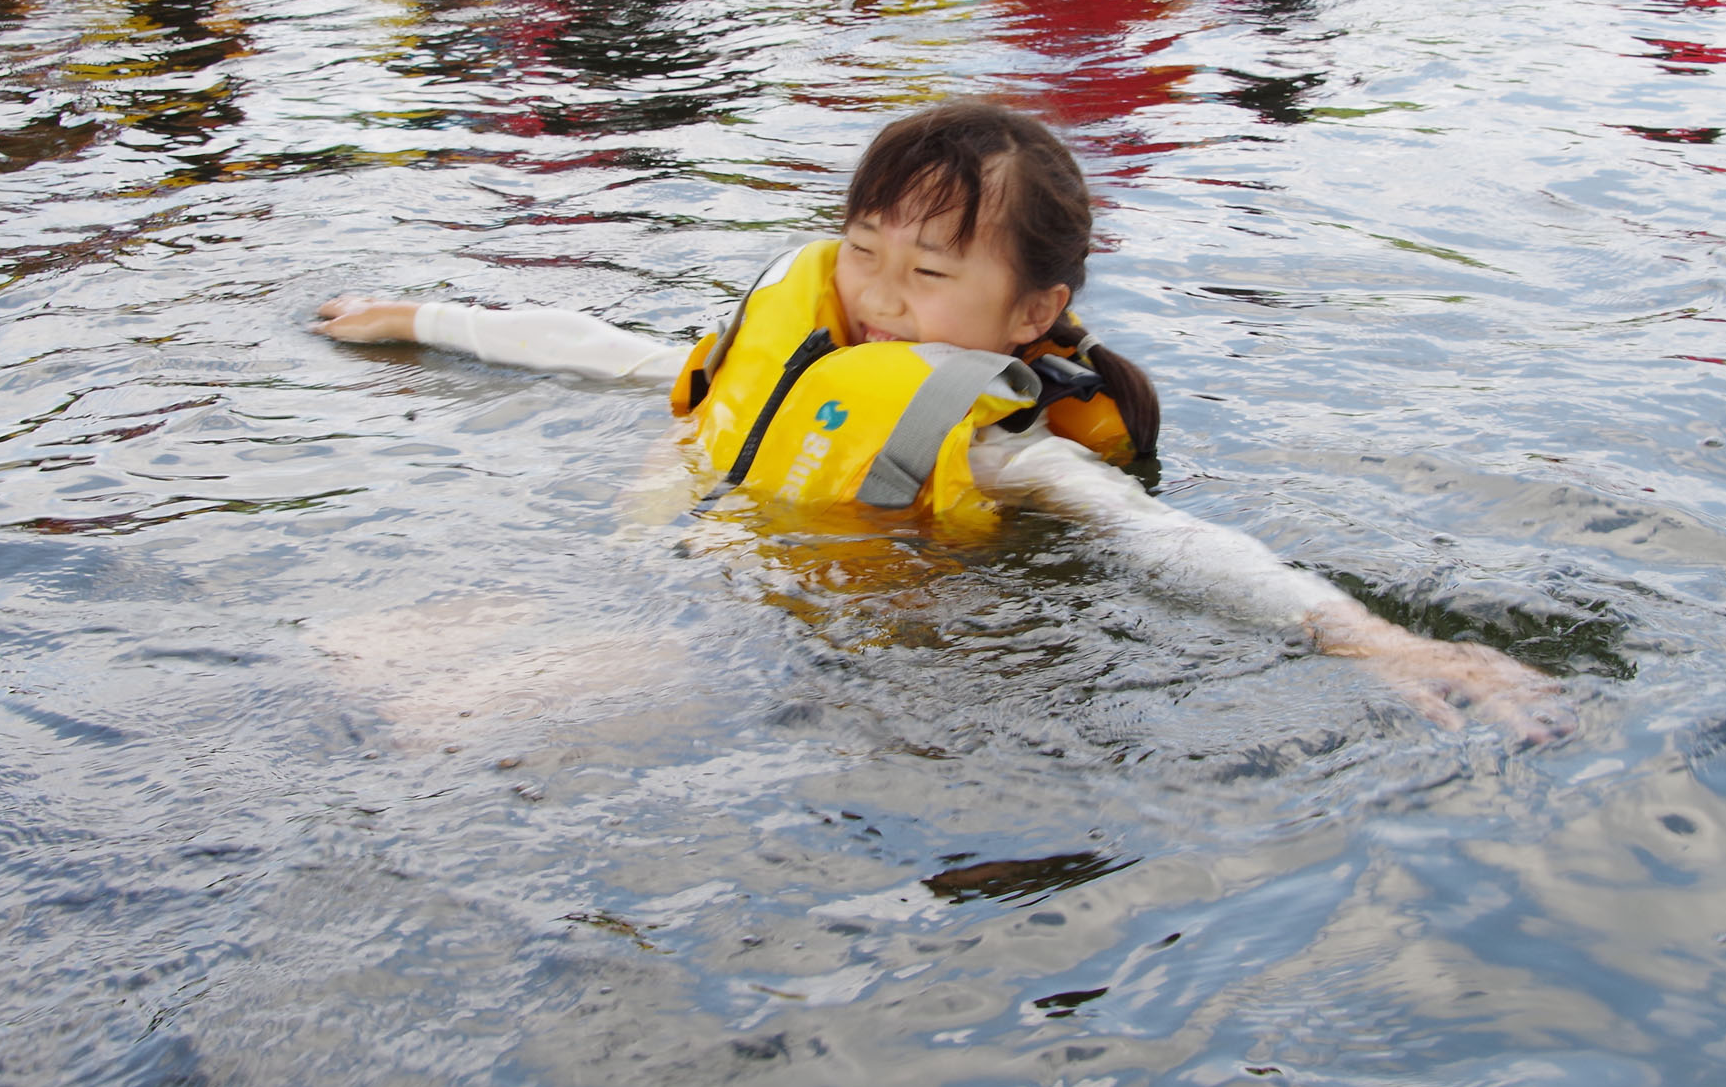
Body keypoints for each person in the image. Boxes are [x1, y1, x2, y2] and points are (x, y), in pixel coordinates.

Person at [313, 103, 1574, 741]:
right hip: (676, 581)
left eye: (930, 275)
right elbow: (620, 354)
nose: (877, 298)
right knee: (340, 648)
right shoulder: (810, 341)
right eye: (863, 254)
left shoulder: (999, 445)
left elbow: (1167, 545)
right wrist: (423, 317)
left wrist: (1366, 639)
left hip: (772, 662)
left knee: (434, 733)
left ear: (1034, 311)